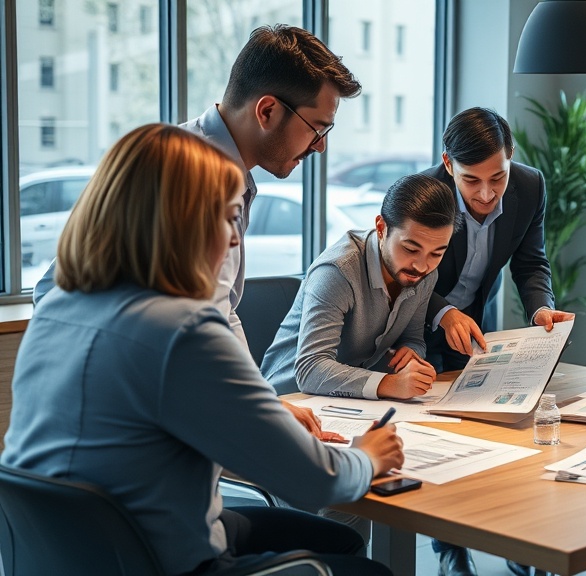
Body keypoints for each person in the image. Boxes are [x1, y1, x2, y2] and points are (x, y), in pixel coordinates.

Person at [1, 124, 405, 575]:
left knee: (336, 541)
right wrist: (368, 456)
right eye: (231, 216)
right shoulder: (184, 328)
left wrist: (257, 415)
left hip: (69, 555)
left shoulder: (59, 304)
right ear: (182, 219)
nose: (235, 239)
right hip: (157, 560)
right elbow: (316, 481)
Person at [32, 23, 357, 441]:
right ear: (268, 111)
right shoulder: (178, 170)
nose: (320, 147)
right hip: (128, 430)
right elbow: (57, 291)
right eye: (318, 128)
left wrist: (262, 401)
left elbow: (220, 310)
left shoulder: (227, 174)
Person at [420, 107, 574, 576]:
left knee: (497, 428)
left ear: (511, 160)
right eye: (471, 181)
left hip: (476, 323)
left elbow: (531, 262)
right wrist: (442, 312)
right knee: (440, 436)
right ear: (448, 164)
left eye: (497, 177)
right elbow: (403, 274)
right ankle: (450, 548)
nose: (487, 193)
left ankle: (515, 535)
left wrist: (540, 309)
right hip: (421, 317)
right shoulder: (423, 194)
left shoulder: (530, 186)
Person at [261, 173, 459, 399]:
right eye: (410, 249)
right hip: (288, 400)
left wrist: (411, 353)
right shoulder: (337, 271)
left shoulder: (425, 273)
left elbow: (412, 337)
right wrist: (388, 383)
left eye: (437, 253)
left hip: (348, 405)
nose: (422, 266)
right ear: (381, 227)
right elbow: (310, 368)